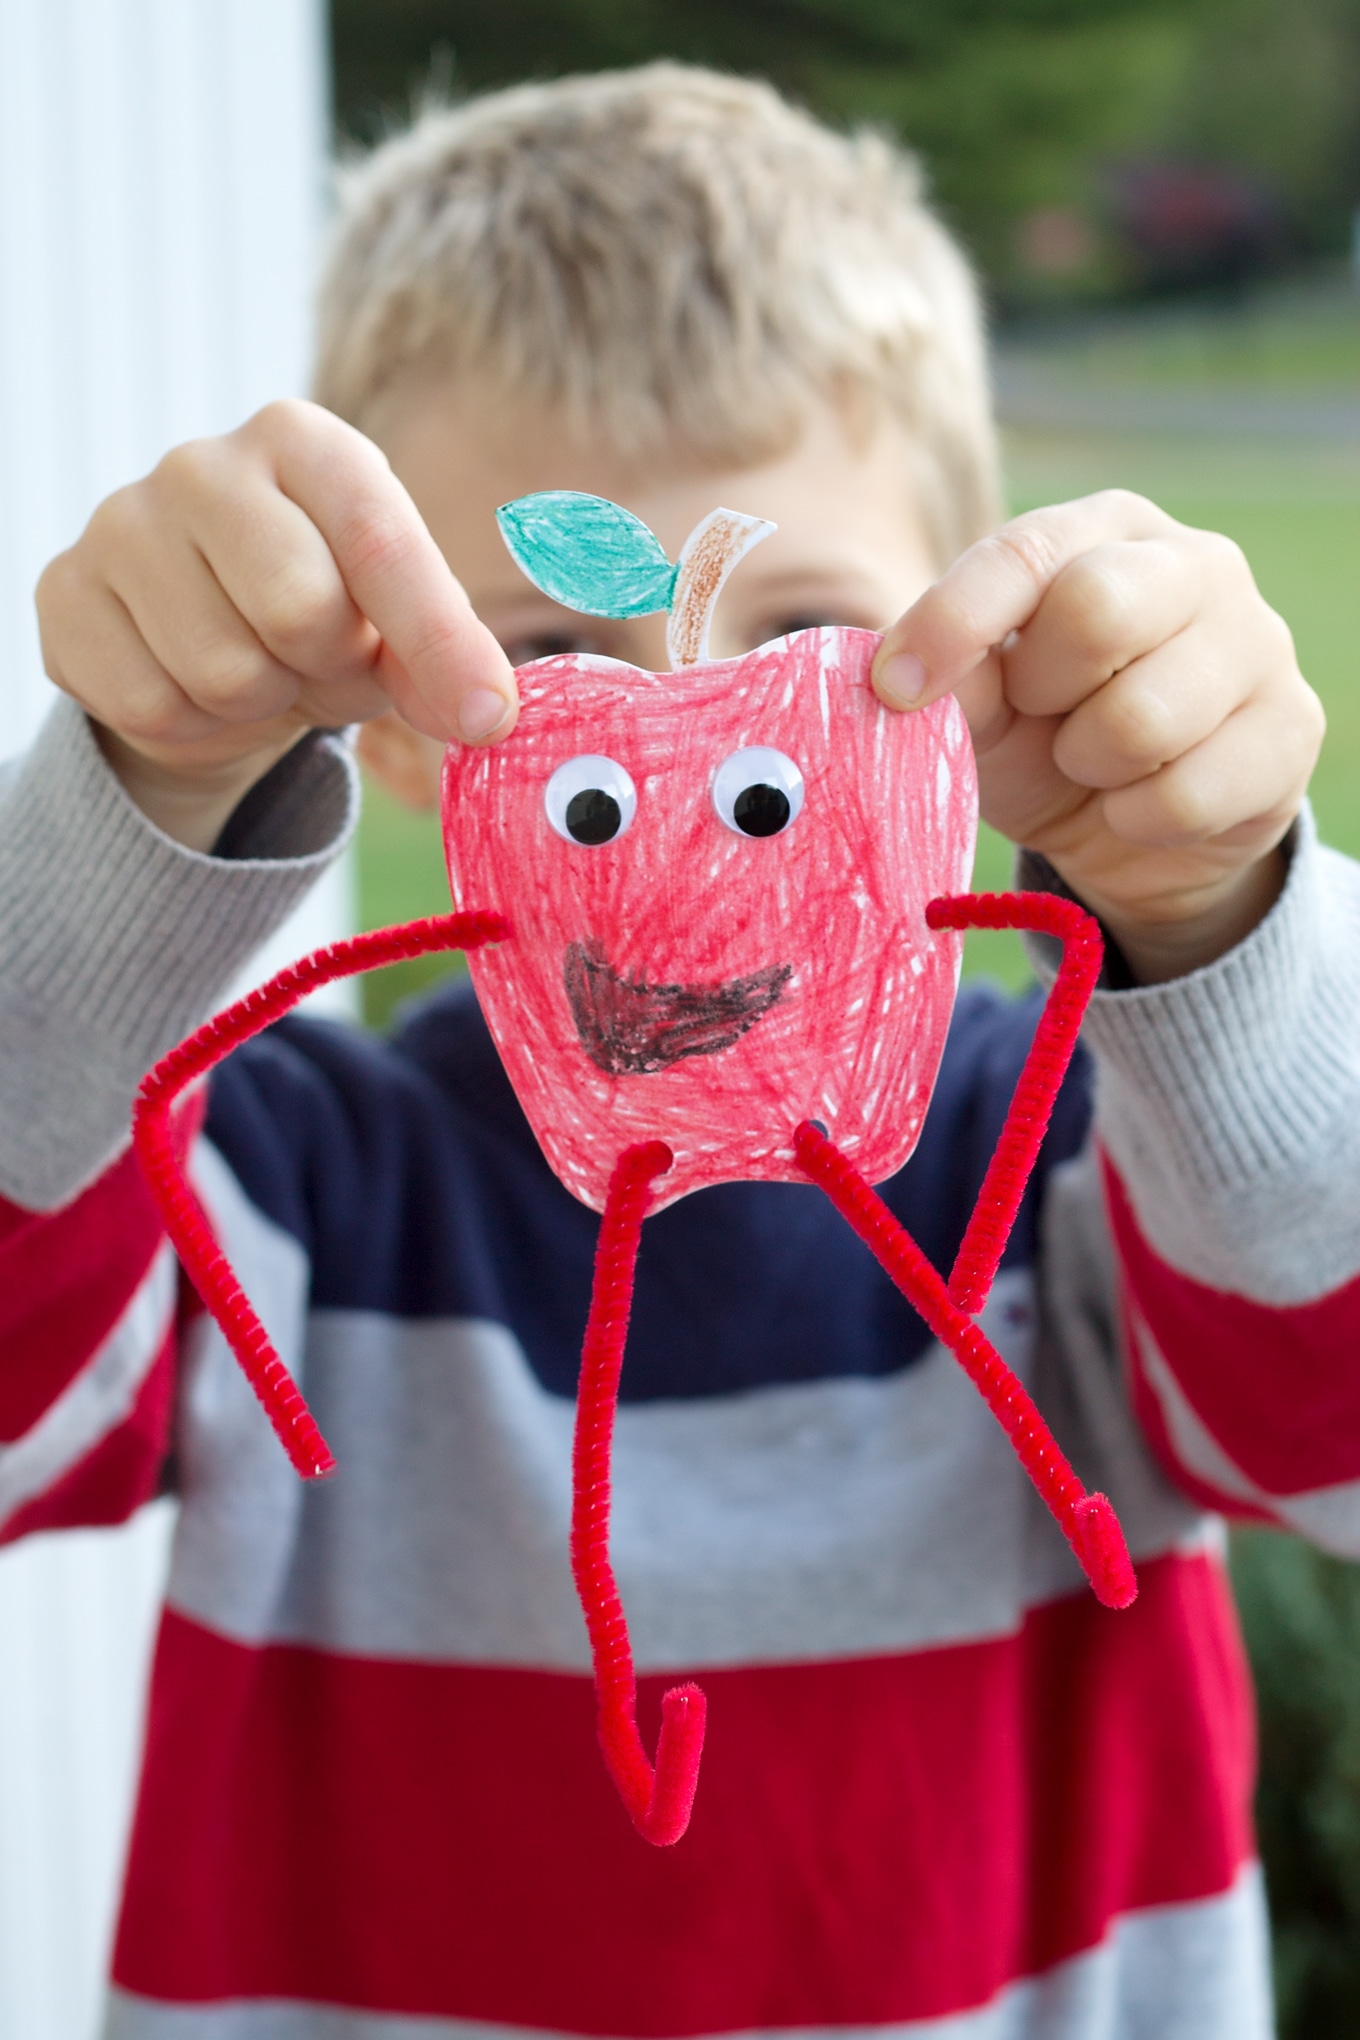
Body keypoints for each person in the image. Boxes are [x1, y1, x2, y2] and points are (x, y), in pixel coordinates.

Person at [0, 61, 1347, 2040]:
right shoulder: (280, 1191)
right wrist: (127, 807)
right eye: (542, 661)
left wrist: (1220, 919)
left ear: (979, 678)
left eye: (801, 635)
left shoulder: (1092, 1160)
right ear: (371, 714)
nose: (685, 742)